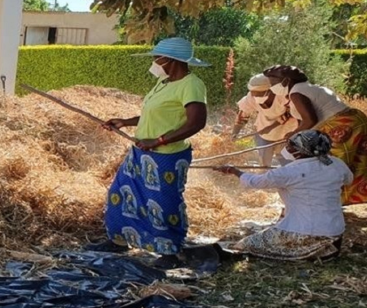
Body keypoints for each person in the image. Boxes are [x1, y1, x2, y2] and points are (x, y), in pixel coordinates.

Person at [90, 38, 210, 268]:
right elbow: (153, 115)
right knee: (121, 194)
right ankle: (119, 240)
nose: (154, 62)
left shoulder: (191, 84)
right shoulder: (164, 82)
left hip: (167, 156)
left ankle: (170, 252)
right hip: (140, 152)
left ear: (171, 60)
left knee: (163, 202)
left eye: (157, 58)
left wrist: (159, 141)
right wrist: (125, 122)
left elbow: (196, 122)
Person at [213, 130, 352, 260]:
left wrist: (233, 170)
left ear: (300, 151)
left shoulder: (289, 172)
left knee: (246, 244)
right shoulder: (337, 164)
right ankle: (324, 254)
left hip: (306, 235)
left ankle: (306, 253)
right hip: (335, 236)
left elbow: (254, 182)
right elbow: (348, 179)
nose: (287, 148)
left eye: (291, 145)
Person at [263, 65, 367, 205]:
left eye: (273, 83)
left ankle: (325, 201)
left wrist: (292, 135)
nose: (272, 87)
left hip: (344, 126)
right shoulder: (307, 88)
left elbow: (311, 120)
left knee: (328, 165)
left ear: (286, 81)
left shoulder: (297, 93)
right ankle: (334, 200)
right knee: (354, 163)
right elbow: (307, 122)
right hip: (354, 121)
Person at [231, 74, 299, 167]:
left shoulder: (283, 96)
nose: (255, 95)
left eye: (258, 93)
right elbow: (243, 116)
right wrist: (235, 134)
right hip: (263, 134)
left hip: (286, 134)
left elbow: (291, 114)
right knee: (264, 165)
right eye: (252, 93)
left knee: (288, 163)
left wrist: (270, 127)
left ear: (270, 90)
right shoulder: (251, 97)